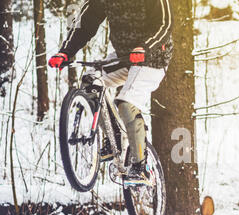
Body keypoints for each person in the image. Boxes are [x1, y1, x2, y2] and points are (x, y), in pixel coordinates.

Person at [48, 0, 173, 186]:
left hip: (153, 58)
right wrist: (66, 52)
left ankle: (141, 167)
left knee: (126, 102)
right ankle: (113, 136)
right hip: (124, 57)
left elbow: (165, 25)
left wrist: (145, 47)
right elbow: (85, 24)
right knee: (91, 81)